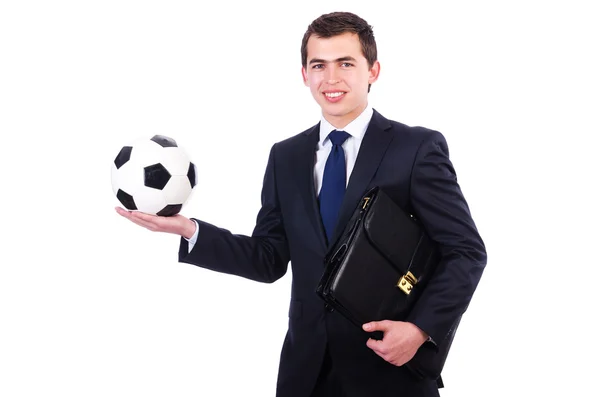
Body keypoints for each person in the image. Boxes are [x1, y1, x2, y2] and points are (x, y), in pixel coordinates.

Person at [116, 11, 487, 397]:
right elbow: (269, 258)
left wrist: (420, 329)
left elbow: (466, 252)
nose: (331, 79)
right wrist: (191, 230)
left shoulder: (415, 149)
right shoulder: (286, 157)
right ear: (304, 74)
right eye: (318, 65)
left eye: (346, 63)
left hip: (389, 369)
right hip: (306, 373)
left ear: (373, 70)